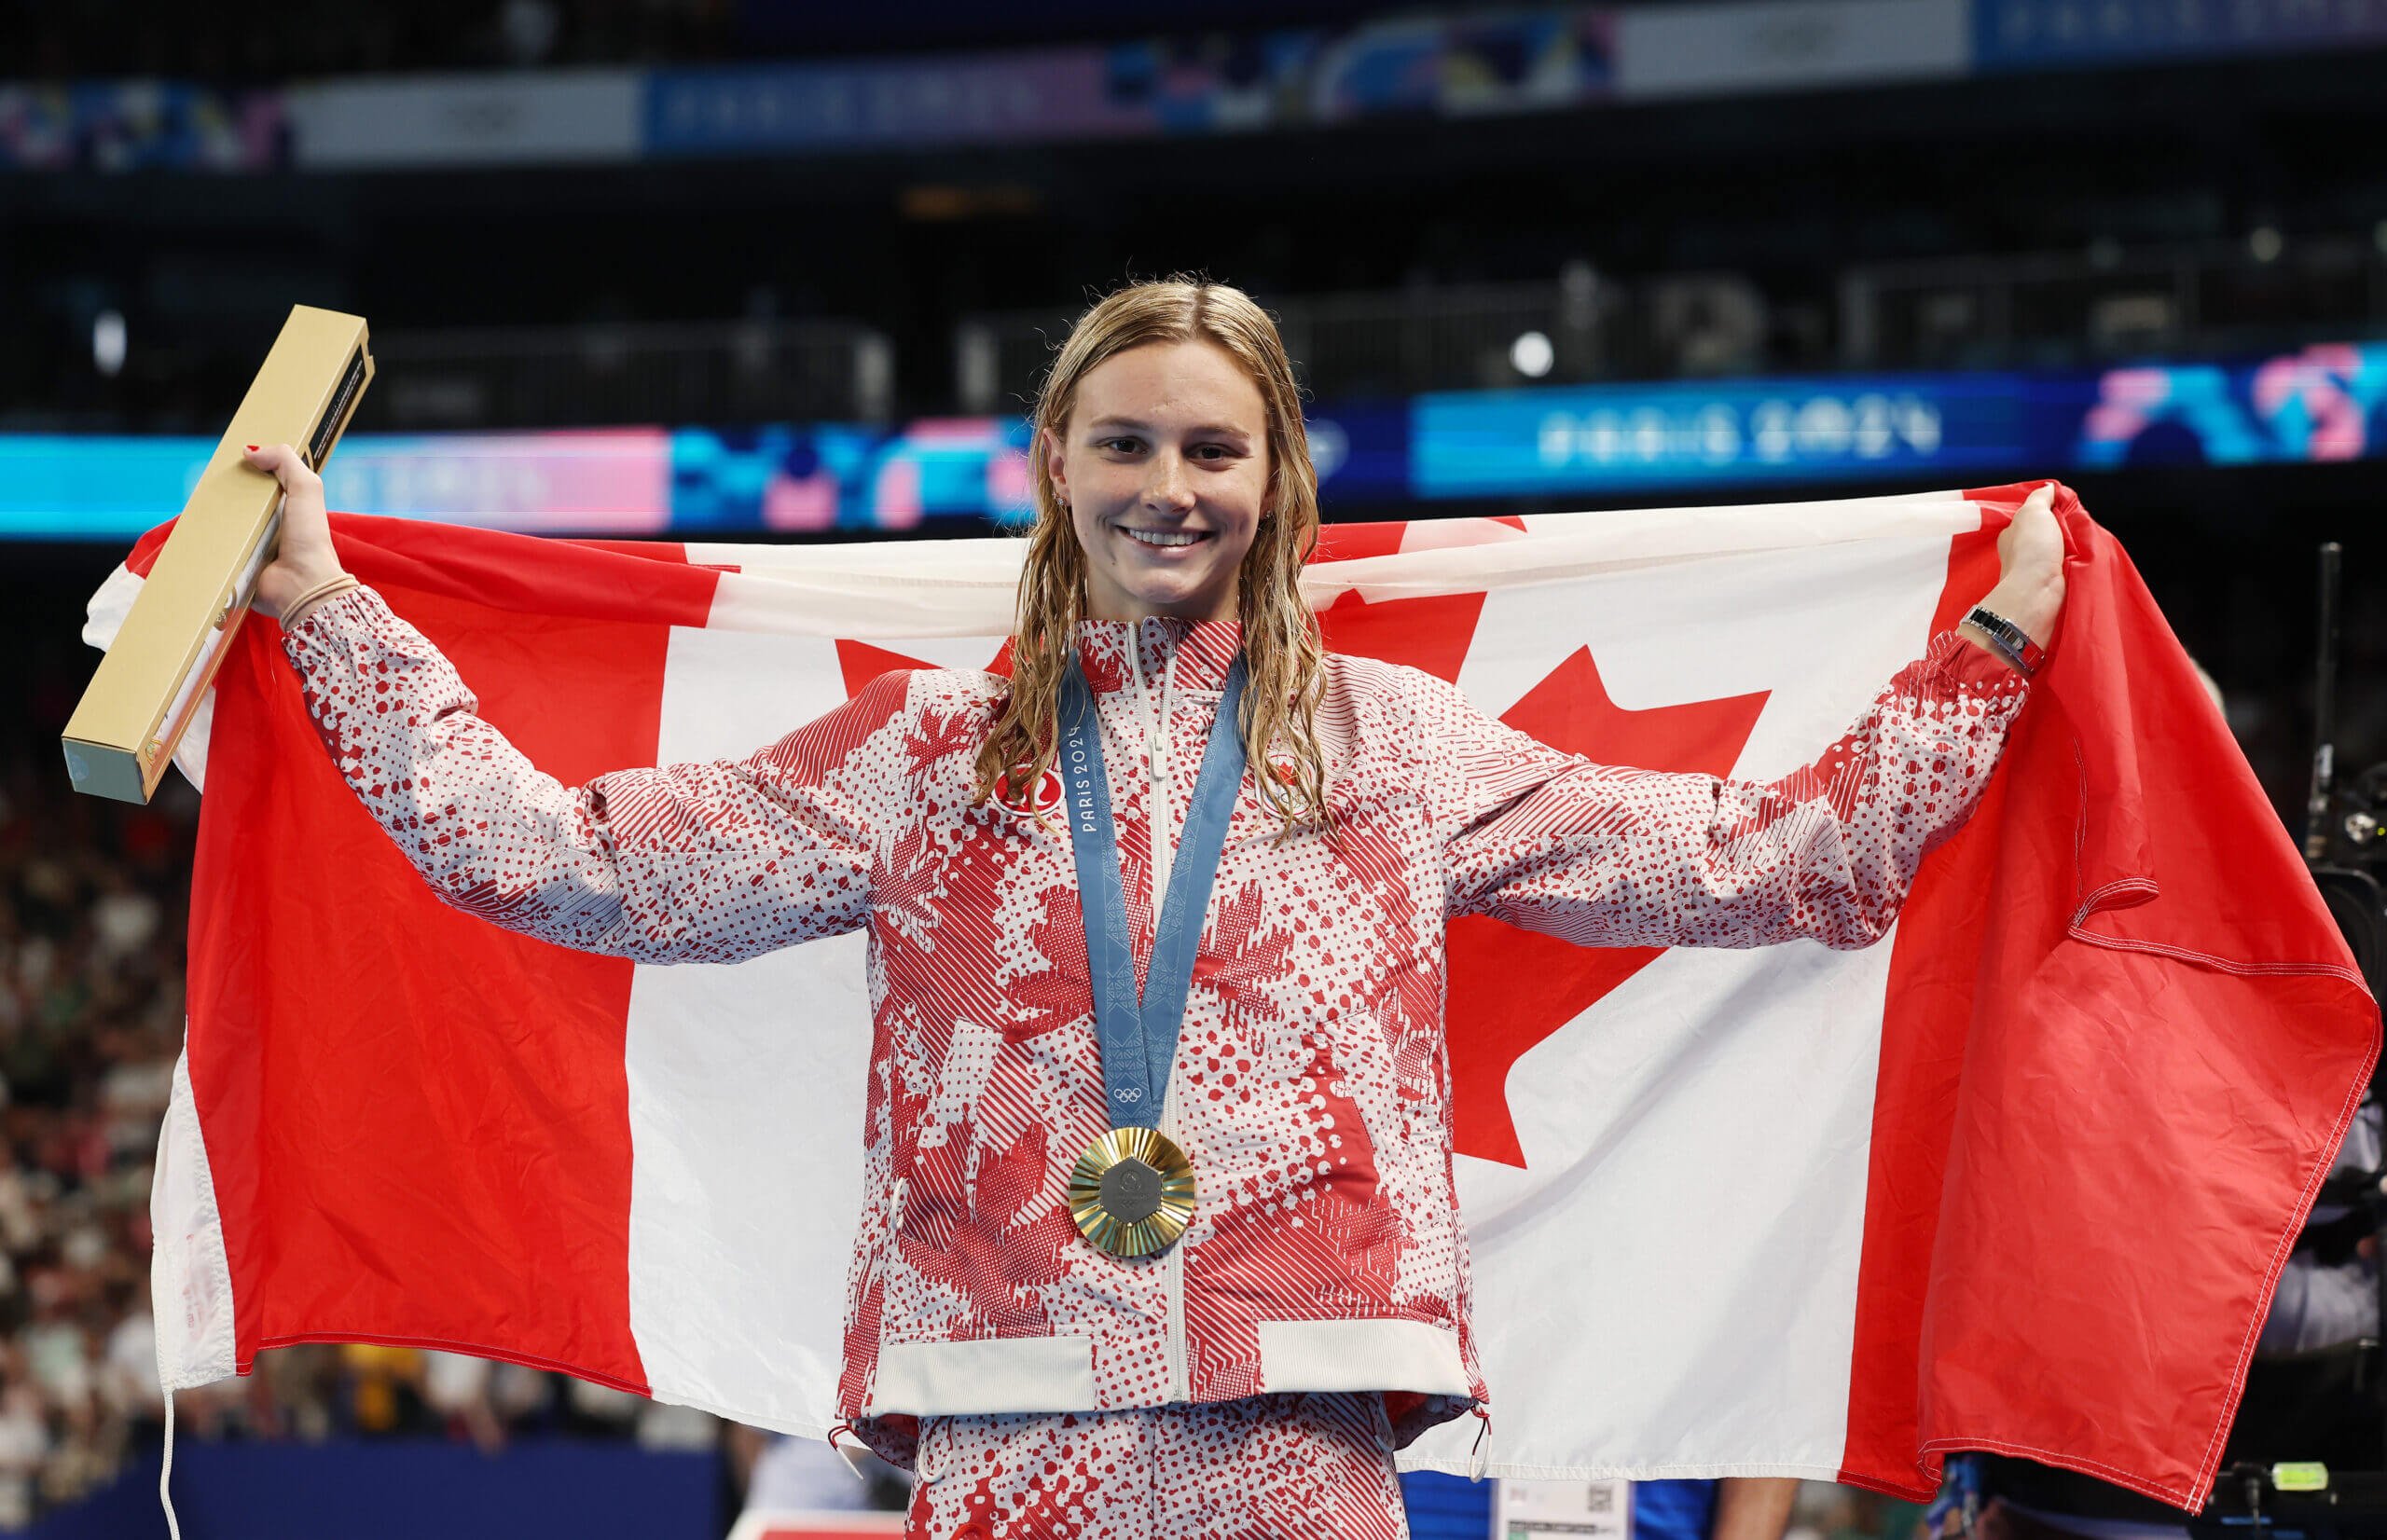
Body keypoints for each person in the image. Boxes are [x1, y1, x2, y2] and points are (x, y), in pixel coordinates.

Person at [239, 276, 2065, 1540]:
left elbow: (1770, 861)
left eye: (1209, 450)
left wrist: (1984, 656)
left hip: (1300, 1413)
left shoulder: (1398, 749)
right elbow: (562, 857)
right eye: (1123, 444)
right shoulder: (922, 754)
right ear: (1054, 464)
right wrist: (327, 612)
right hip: (1007, 1403)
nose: (1165, 488)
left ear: (1274, 483)